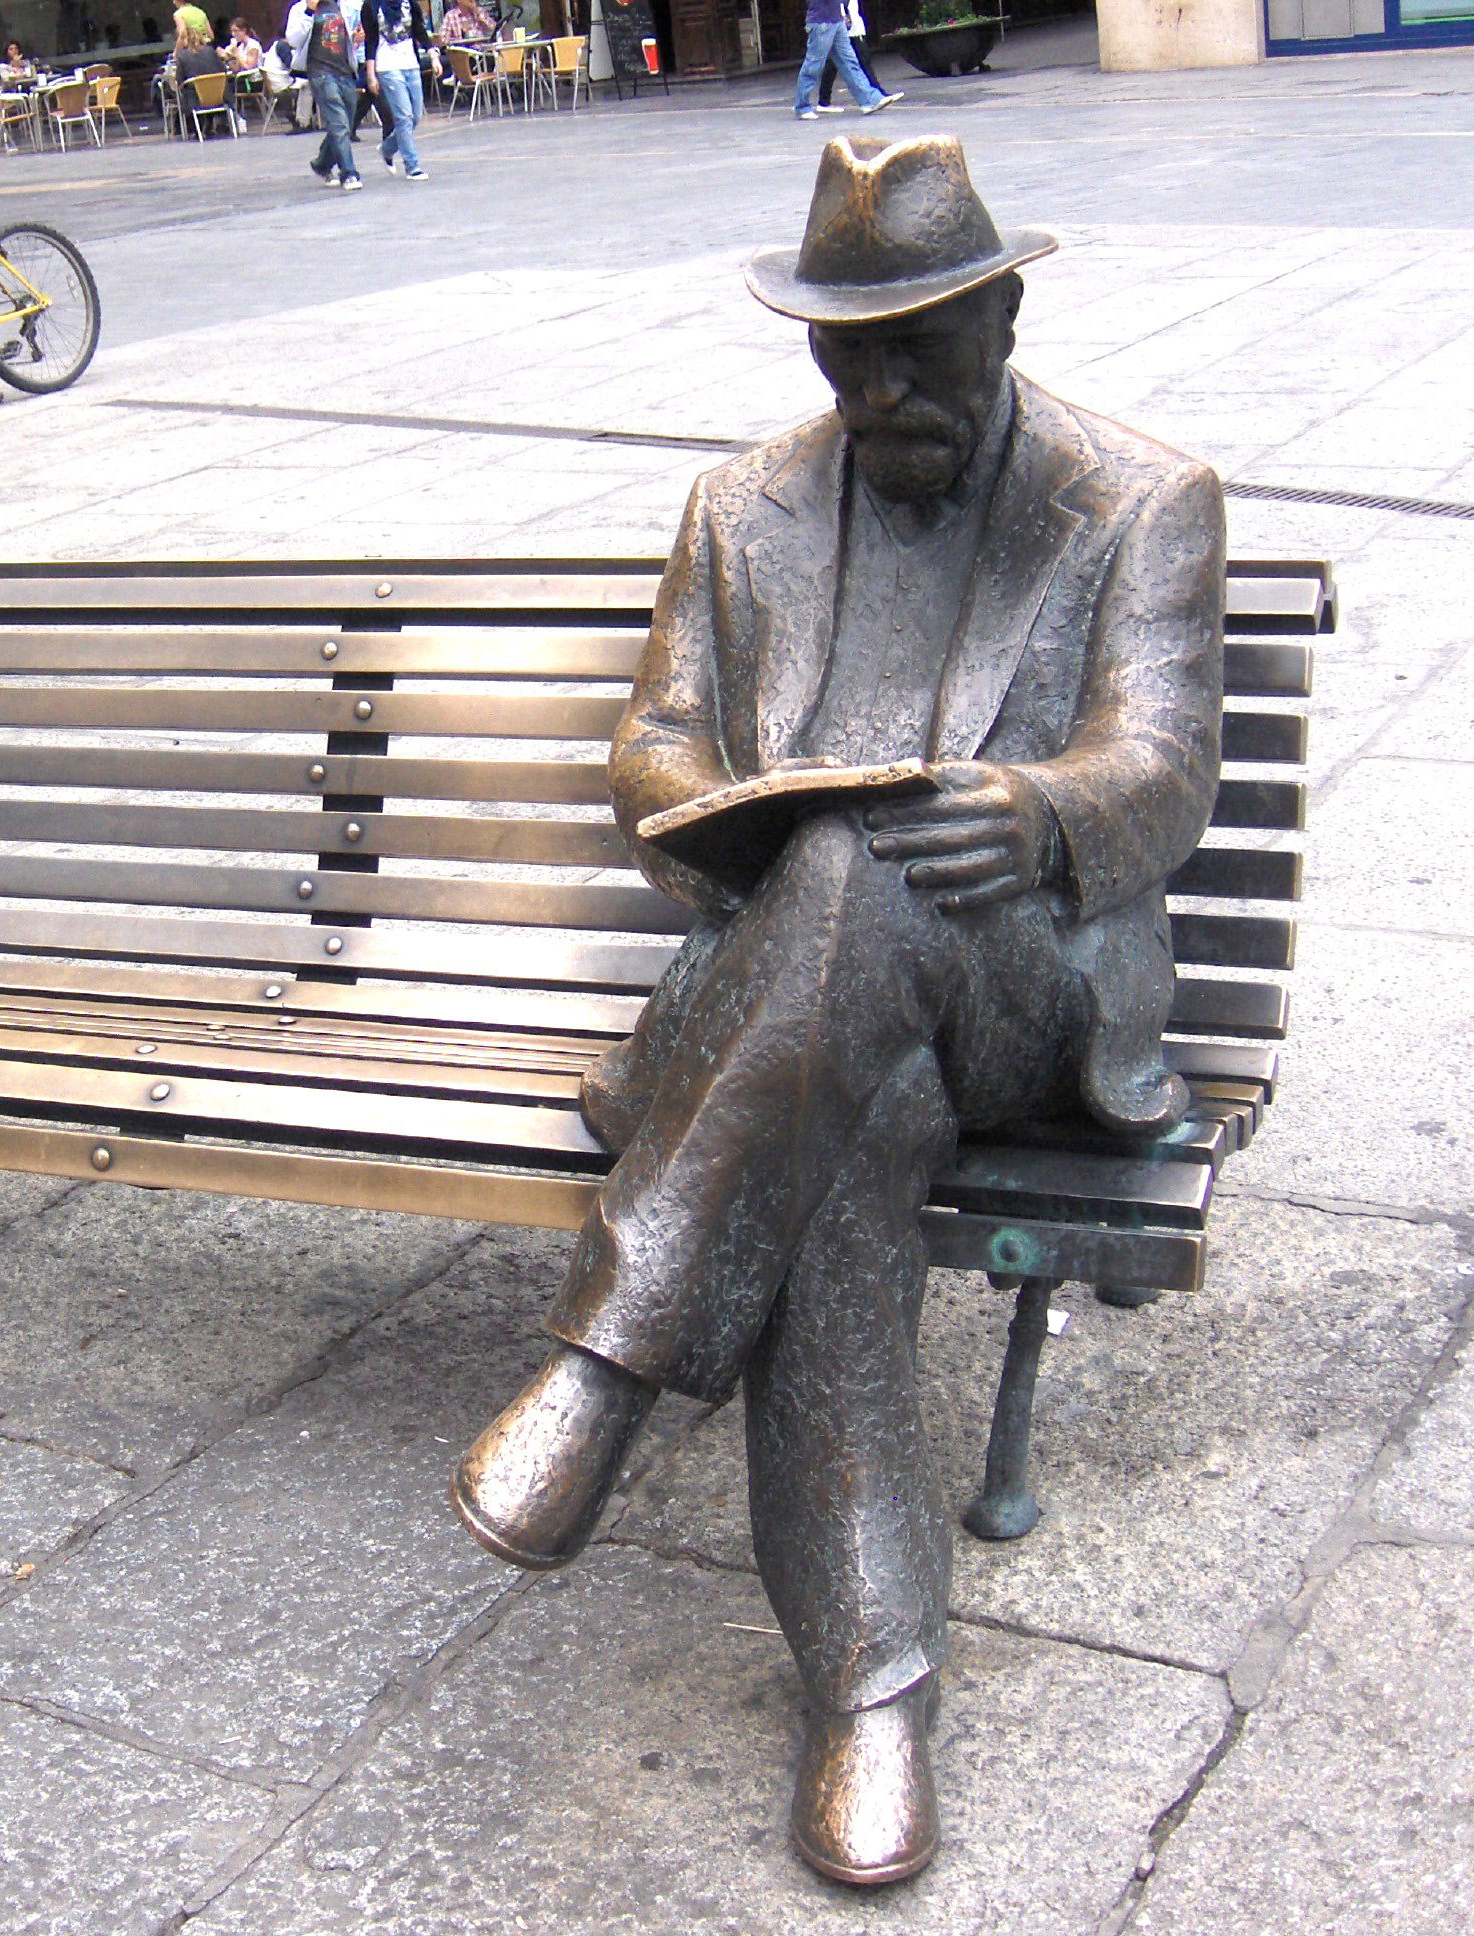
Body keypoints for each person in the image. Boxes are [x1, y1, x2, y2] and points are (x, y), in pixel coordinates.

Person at [450, 135, 1224, 1889]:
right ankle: (870, 1699)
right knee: (838, 1078)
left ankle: (606, 1355)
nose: (877, 389)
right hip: (810, 1034)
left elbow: (1163, 764)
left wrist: (1035, 811)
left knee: (855, 882)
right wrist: (711, 807)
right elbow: (650, 742)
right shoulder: (745, 506)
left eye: (918, 347)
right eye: (842, 351)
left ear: (1003, 312)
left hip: (1018, 985)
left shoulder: (1141, 498)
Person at [359, 0, 430, 179]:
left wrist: (433, 53)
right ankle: (412, 166)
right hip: (387, 66)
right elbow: (371, 41)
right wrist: (371, 75)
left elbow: (419, 30)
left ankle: (387, 148)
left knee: (415, 116)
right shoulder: (371, 6)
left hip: (411, 64)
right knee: (404, 117)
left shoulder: (408, 3)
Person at [301, 0, 363, 187]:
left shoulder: (345, 6)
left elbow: (348, 36)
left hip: (344, 70)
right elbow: (294, 39)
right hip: (320, 72)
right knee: (339, 122)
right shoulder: (301, 9)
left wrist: (356, 37)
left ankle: (322, 163)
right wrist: (308, 12)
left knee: (346, 123)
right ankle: (349, 172)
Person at [794, 0, 894, 115]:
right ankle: (802, 106)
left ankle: (869, 100)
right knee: (814, 65)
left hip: (835, 20)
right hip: (822, 21)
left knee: (849, 62)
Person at [818, 0, 877, 106]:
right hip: (840, 24)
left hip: (852, 25)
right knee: (835, 64)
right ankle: (875, 94)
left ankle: (824, 100)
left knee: (861, 59)